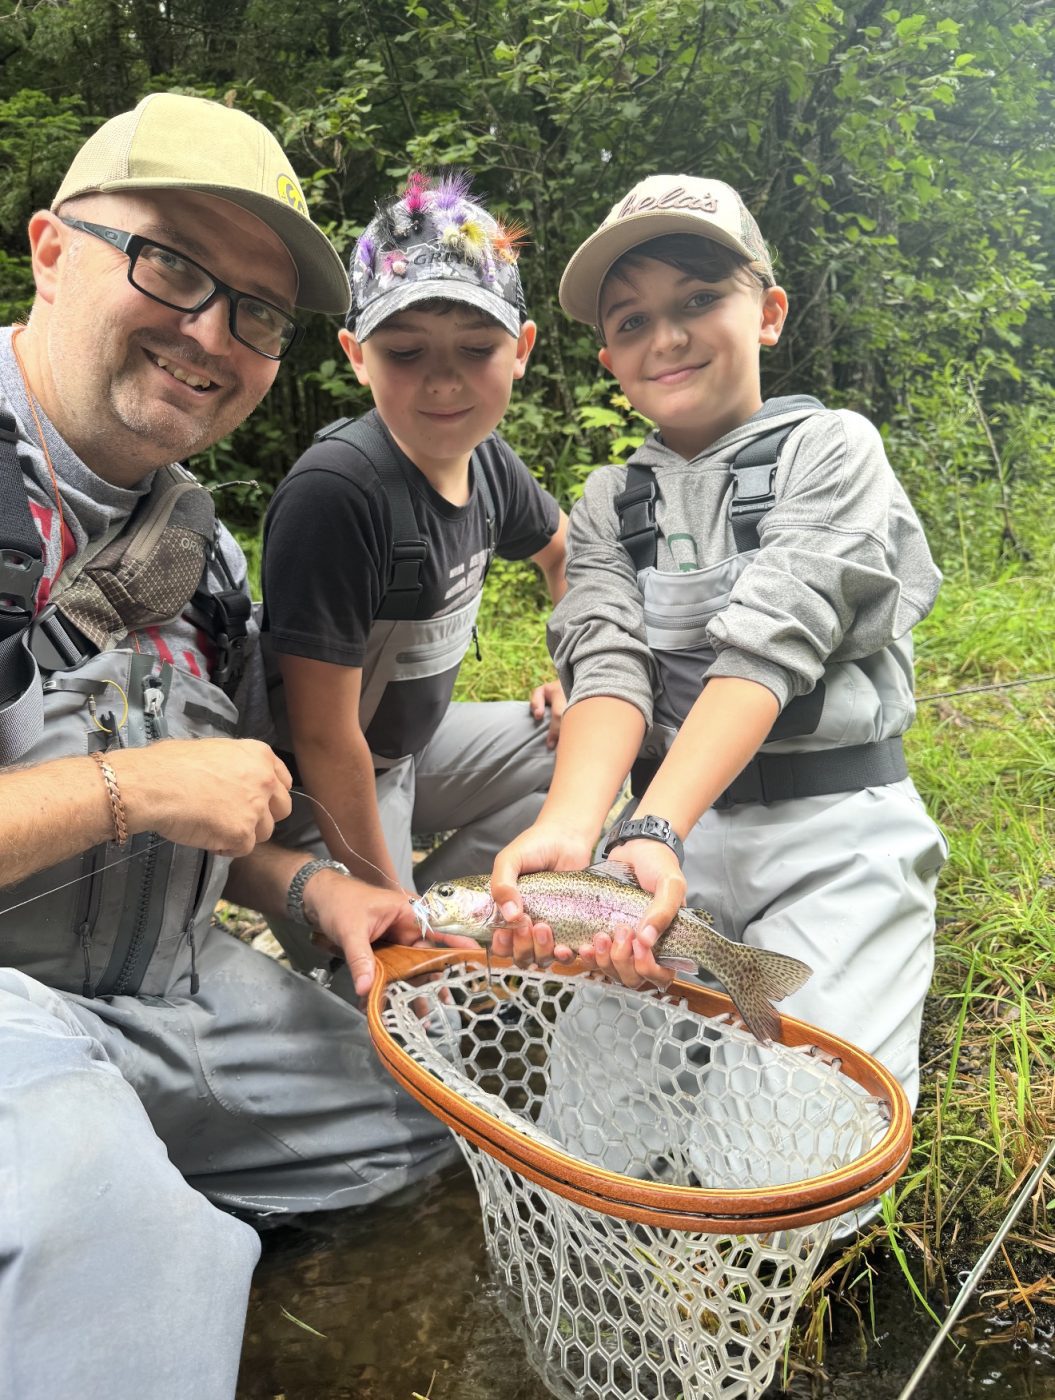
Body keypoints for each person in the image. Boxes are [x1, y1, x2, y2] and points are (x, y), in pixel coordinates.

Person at [0, 93, 463, 1400]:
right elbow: (159, 790)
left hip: (166, 984)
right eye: (173, 265)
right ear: (50, 247)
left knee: (420, 1127)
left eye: (256, 311)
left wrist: (319, 889)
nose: (211, 333)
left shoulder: (202, 547)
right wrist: (127, 787)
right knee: (110, 1229)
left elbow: (230, 811)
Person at [489, 174, 947, 1112]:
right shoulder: (606, 505)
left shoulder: (833, 449)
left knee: (790, 1135)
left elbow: (767, 647)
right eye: (630, 320)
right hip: (665, 862)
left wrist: (650, 824)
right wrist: (575, 836)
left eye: (698, 300)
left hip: (832, 831)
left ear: (768, 312)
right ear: (608, 354)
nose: (665, 336)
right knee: (590, 1127)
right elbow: (606, 663)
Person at [260, 171, 567, 973]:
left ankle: (459, 921)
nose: (443, 381)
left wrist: (579, 674)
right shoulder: (338, 493)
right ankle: (400, 944)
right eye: (405, 353)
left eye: (476, 349)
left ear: (522, 350)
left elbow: (565, 555)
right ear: (356, 357)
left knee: (585, 749)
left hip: (410, 753)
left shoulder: (489, 460)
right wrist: (382, 910)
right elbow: (324, 739)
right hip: (315, 790)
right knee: (398, 1002)